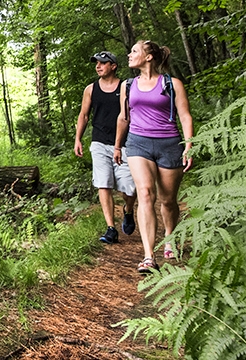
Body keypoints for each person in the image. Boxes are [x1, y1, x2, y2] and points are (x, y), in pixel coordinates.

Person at [114, 40, 194, 274]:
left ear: (149, 57)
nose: (129, 55)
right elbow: (123, 117)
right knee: (145, 193)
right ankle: (148, 256)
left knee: (168, 200)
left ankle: (170, 236)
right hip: (138, 143)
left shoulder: (172, 84)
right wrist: (118, 145)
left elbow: (185, 116)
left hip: (169, 144)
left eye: (134, 51)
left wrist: (189, 145)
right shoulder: (127, 86)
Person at [74, 51, 137, 245]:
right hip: (99, 142)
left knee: (129, 189)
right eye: (96, 63)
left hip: (124, 143)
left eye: (102, 63)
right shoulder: (90, 89)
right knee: (104, 183)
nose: (98, 66)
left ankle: (128, 210)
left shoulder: (125, 86)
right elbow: (84, 115)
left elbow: (131, 113)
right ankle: (111, 228)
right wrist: (78, 139)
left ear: (113, 66)